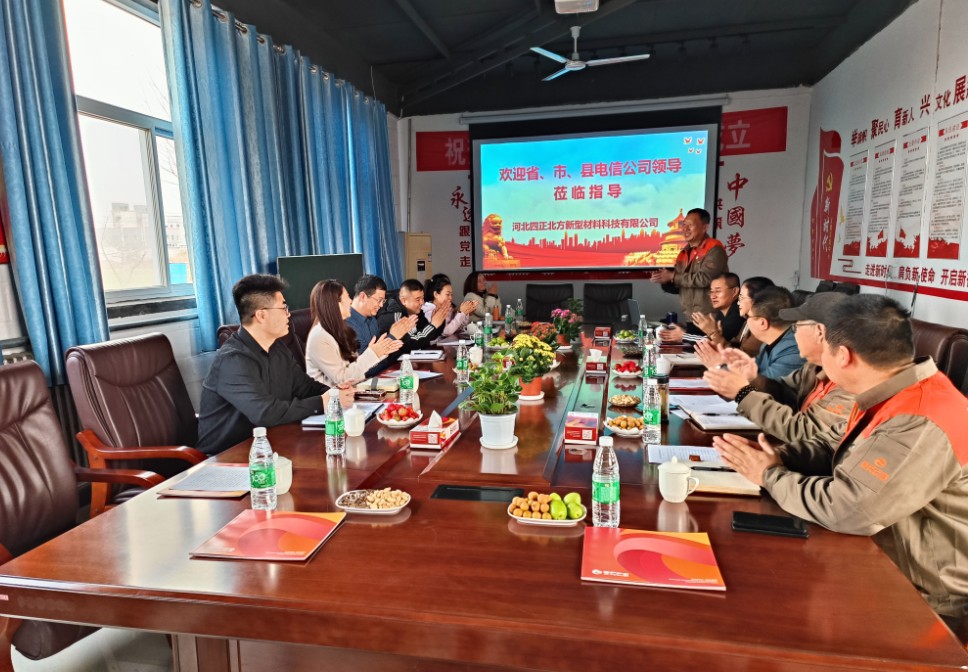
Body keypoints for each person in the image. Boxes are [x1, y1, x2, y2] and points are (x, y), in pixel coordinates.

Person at [714, 294, 968, 633]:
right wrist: (780, 458)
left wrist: (770, 476)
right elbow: (833, 444)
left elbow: (850, 508)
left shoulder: (922, 418)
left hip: (923, 595)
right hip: (876, 554)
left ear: (843, 356)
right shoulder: (892, 390)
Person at [196, 274, 354, 456]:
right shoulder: (233, 360)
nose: (289, 314)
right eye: (283, 308)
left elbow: (304, 387)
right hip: (226, 459)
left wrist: (335, 393)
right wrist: (322, 402)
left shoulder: (278, 347)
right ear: (261, 315)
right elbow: (266, 413)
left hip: (271, 446)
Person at [703, 291, 854, 445]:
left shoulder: (850, 386)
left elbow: (805, 431)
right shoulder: (813, 367)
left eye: (796, 327)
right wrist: (752, 378)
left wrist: (744, 393)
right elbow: (784, 391)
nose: (793, 335)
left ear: (819, 332)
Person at [305, 280, 402, 387]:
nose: (351, 301)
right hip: (332, 396)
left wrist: (379, 352)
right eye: (347, 297)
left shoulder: (341, 330)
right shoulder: (319, 336)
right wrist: (373, 353)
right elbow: (342, 379)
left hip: (352, 390)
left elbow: (355, 371)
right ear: (335, 304)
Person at [649, 207, 728, 334]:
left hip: (711, 318)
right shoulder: (684, 252)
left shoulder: (714, 249)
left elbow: (704, 279)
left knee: (708, 347)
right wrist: (664, 280)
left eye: (690, 225)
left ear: (704, 227)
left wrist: (673, 276)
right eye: (684, 224)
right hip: (691, 317)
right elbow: (680, 286)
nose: (685, 229)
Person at [692, 276, 774, 363]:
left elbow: (741, 358)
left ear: (756, 300)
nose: (738, 302)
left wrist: (714, 334)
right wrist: (716, 336)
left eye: (742, 298)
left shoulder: (762, 324)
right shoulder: (748, 321)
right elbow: (734, 345)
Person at [345, 274, 415, 356]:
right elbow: (363, 361)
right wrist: (393, 336)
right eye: (379, 300)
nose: (381, 305)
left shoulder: (372, 319)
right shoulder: (347, 323)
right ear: (363, 296)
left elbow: (381, 354)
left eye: (383, 301)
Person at [378, 278, 448, 353]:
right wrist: (433, 325)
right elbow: (411, 342)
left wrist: (439, 321)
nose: (422, 302)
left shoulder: (416, 310)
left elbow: (428, 337)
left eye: (423, 298)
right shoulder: (394, 313)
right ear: (404, 301)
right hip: (396, 359)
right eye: (417, 299)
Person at [691, 272, 743, 344]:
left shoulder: (738, 314)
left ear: (734, 291)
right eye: (711, 291)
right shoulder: (722, 313)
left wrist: (683, 335)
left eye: (718, 291)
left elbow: (715, 340)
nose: (713, 296)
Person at [424, 274, 477, 342]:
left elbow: (458, 328)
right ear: (436, 294)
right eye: (447, 294)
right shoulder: (429, 311)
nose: (450, 297)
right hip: (434, 346)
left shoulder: (447, 308)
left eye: (451, 294)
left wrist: (466, 313)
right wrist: (462, 313)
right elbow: (446, 332)